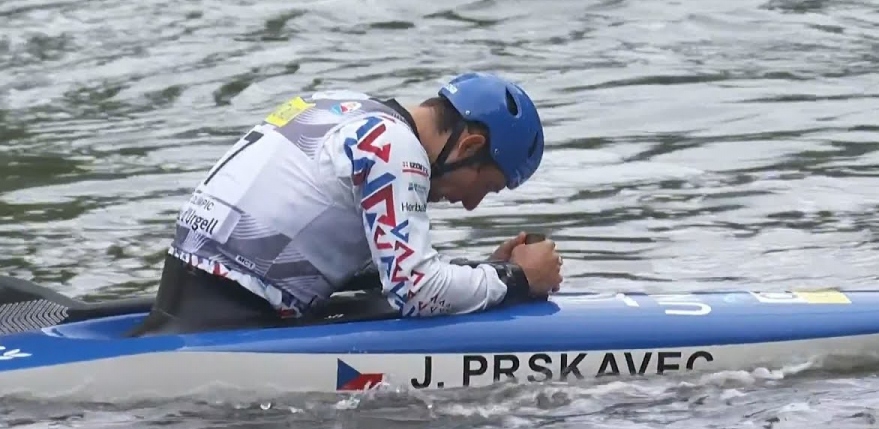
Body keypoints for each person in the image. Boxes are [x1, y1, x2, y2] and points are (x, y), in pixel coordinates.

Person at [130, 72, 564, 336]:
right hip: (227, 325)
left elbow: (378, 273)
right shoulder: (395, 148)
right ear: (470, 144)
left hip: (191, 297)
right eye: (485, 186)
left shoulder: (339, 106)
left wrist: (481, 272)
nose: (470, 205)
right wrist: (516, 279)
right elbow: (416, 292)